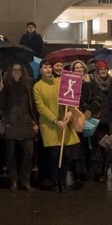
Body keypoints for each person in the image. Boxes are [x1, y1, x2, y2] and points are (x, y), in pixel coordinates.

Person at [33, 60, 80, 192]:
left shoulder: (61, 81)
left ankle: (62, 181)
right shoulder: (38, 86)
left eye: (49, 67)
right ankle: (54, 182)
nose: (47, 70)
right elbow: (41, 107)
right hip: (49, 125)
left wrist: (70, 112)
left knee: (64, 155)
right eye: (45, 67)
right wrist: (55, 120)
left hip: (64, 123)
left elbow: (71, 97)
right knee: (53, 155)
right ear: (41, 69)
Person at [0, 62, 38, 192]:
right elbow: (0, 105)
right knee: (10, 154)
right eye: (14, 69)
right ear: (10, 71)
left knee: (29, 152)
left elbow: (33, 105)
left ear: (23, 71)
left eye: (19, 69)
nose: (17, 72)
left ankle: (25, 180)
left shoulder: (28, 85)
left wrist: (35, 121)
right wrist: (1, 91)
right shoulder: (6, 85)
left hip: (25, 121)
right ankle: (13, 180)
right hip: (11, 122)